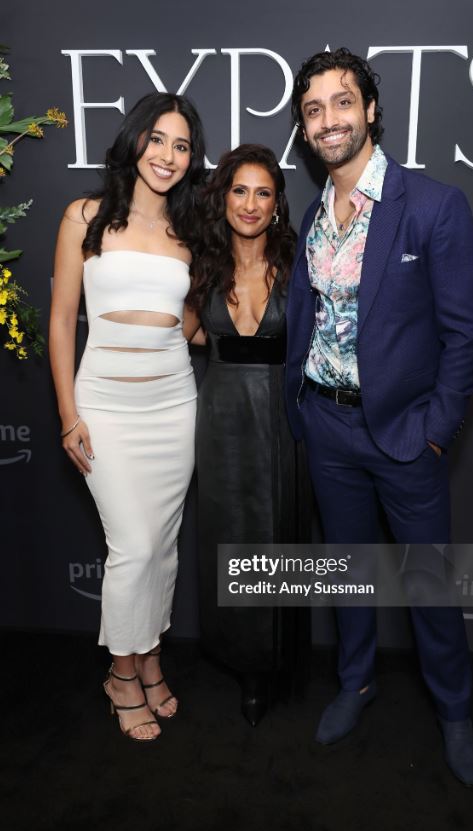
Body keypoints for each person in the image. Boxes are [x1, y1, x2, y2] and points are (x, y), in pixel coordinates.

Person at [285, 49, 473, 785]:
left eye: (343, 103)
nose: (329, 119)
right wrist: (303, 408)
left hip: (405, 435)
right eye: (314, 110)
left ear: (370, 111)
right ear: (305, 131)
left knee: (429, 581)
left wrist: (435, 430)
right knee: (348, 572)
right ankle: (356, 680)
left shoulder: (432, 205)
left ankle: (455, 710)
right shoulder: (312, 214)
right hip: (328, 428)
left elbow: (465, 335)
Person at [49, 92, 206, 742]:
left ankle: (149, 658)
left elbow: (190, 326)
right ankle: (120, 672)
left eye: (183, 146)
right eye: (159, 139)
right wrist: (67, 413)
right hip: (105, 407)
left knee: (161, 549)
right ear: (135, 139)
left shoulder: (190, 234)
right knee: (133, 546)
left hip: (174, 406)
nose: (168, 156)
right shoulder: (84, 217)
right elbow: (61, 321)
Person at [186, 144, 310, 726]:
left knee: (277, 532)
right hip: (220, 418)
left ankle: (275, 659)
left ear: (277, 203)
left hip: (283, 418)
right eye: (240, 190)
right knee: (229, 534)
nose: (251, 204)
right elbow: (177, 334)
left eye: (264, 192)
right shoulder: (201, 266)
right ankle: (241, 658)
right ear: (223, 197)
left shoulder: (298, 263)